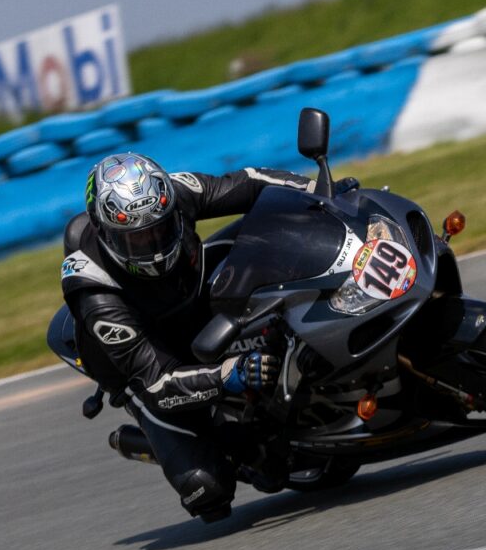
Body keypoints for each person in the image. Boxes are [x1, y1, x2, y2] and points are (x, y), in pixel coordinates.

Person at [61, 153, 316, 522]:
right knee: (209, 490)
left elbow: (250, 182)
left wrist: (319, 191)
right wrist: (229, 374)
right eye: (137, 238)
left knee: (272, 236)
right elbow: (158, 384)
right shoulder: (95, 293)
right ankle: (167, 441)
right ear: (107, 233)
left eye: (160, 229)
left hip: (189, 297)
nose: (152, 244)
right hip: (145, 364)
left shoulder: (174, 193)